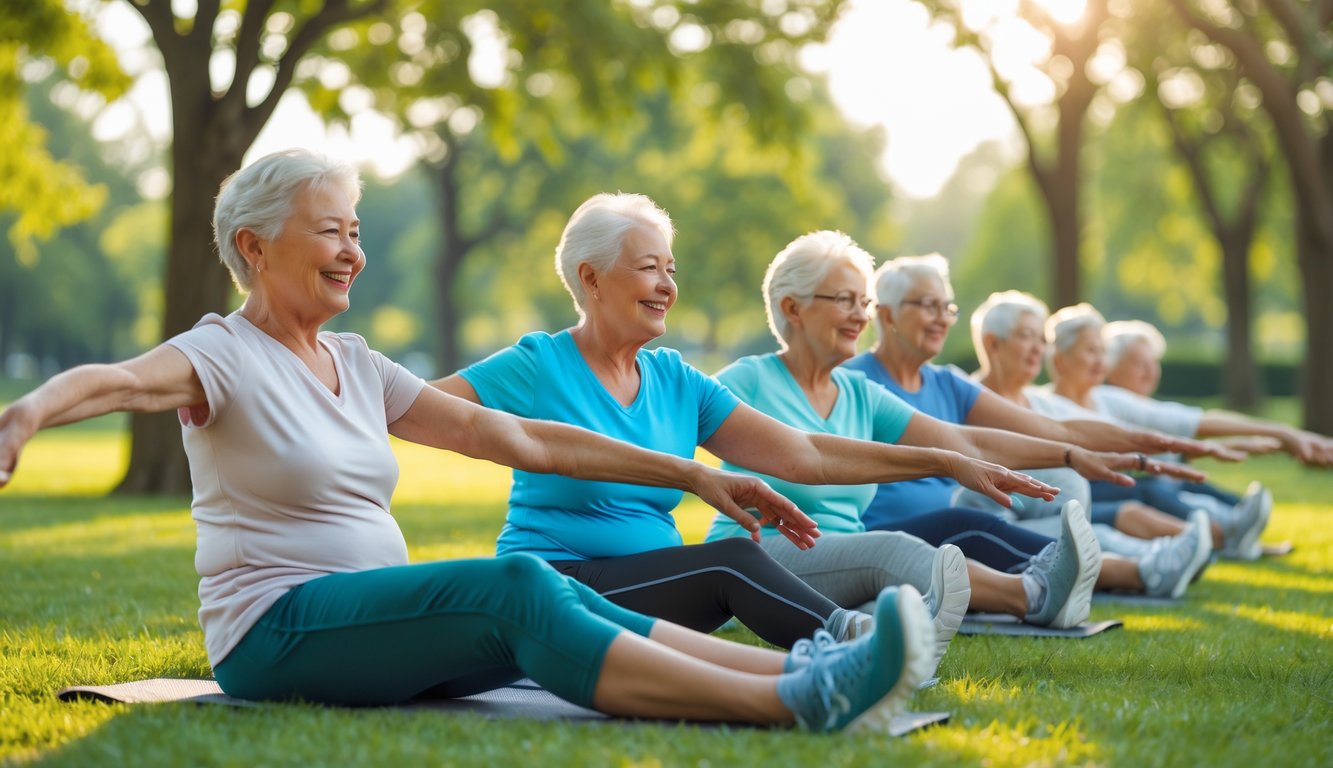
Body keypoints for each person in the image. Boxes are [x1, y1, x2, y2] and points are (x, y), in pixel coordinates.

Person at [0, 150, 940, 732]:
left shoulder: (358, 363)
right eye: (329, 232)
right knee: (517, 582)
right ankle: (787, 701)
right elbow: (118, 381)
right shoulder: (222, 353)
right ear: (254, 246)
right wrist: (27, 414)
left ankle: (813, 668)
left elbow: (517, 437)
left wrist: (691, 476)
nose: (353, 251)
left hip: (365, 623)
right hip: (274, 631)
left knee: (555, 593)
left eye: (356, 231)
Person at [432, 193, 1062, 656]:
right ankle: (859, 643)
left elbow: (805, 455)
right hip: (555, 582)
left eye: (671, 269)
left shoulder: (676, 380)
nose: (667, 285)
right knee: (732, 560)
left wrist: (944, 461)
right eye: (649, 267)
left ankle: (868, 637)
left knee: (726, 564)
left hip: (658, 586)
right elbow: (416, 406)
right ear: (591, 278)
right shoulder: (538, 365)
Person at [842, 254, 1216, 598]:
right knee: (975, 524)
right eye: (929, 306)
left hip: (961, 512)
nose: (942, 318)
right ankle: (1137, 571)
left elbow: (1055, 429)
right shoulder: (855, 382)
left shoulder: (947, 382)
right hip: (896, 531)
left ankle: (1147, 564)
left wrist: (1145, 445)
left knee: (1061, 499)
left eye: (947, 307)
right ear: (887, 316)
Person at [1035, 303, 1333, 558]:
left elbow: (1188, 421)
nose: (1101, 361)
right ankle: (1228, 534)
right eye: (1091, 351)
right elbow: (1143, 443)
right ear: (1060, 359)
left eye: (1103, 351)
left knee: (1164, 480)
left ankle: (1235, 527)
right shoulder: (1044, 405)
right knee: (1149, 485)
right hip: (1082, 492)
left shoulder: (1107, 398)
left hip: (1120, 481)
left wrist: (1280, 433)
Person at [972, 292, 1229, 559]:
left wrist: (1182, 446)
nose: (1039, 348)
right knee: (1114, 513)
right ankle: (1191, 547)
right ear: (993, 343)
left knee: (1138, 495)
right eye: (1027, 336)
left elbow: (1088, 430)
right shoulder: (974, 399)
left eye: (1041, 339)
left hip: (1054, 499)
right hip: (1034, 504)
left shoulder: (1036, 401)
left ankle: (1196, 543)